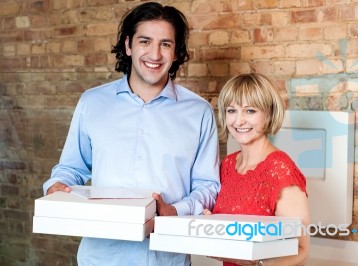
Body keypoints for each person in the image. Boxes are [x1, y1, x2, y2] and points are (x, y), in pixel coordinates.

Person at [42, 2, 220, 265]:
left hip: (165, 258)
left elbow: (208, 185)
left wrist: (175, 210)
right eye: (145, 41)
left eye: (166, 44)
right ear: (129, 45)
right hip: (100, 257)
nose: (155, 54)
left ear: (176, 52)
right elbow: (71, 167)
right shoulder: (92, 103)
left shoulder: (199, 112)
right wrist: (55, 186)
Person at [206, 73, 310, 266]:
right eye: (231, 111)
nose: (239, 121)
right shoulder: (227, 165)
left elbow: (301, 249)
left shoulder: (280, 168)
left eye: (250, 111)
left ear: (268, 114)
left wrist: (257, 263)